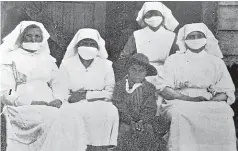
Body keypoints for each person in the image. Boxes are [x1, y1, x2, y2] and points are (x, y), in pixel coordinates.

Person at [155, 23, 237, 151]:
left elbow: (226, 91)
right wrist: (189, 99)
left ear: (206, 39)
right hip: (180, 100)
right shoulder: (174, 60)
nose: (195, 39)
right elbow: (164, 89)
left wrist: (210, 101)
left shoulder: (216, 62)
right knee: (178, 113)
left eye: (199, 36)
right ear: (185, 40)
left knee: (224, 112)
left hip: (208, 100)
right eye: (191, 37)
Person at [0, 21, 68, 151]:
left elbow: (58, 82)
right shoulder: (9, 58)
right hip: (20, 105)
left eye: (37, 36)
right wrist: (32, 102)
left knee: (71, 115)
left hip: (50, 102)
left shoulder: (47, 59)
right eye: (29, 35)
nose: (33, 39)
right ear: (21, 37)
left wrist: (59, 99)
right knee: (52, 117)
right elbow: (5, 91)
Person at [56, 28, 119, 151]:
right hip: (72, 102)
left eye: (92, 44)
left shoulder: (106, 65)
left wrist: (86, 95)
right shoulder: (66, 64)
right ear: (77, 45)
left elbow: (110, 92)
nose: (88, 47)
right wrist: (70, 97)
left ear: (98, 47)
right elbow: (60, 89)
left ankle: (100, 147)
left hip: (99, 102)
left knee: (110, 111)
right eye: (85, 43)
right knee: (69, 114)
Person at [114, 2, 179, 83]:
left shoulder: (171, 36)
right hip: (140, 73)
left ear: (163, 16)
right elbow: (124, 57)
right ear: (144, 17)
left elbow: (177, 59)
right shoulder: (137, 35)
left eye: (156, 14)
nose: (153, 17)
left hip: (165, 74)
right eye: (149, 15)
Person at [113, 53, 157, 151]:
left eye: (141, 71)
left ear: (146, 73)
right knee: (124, 130)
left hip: (142, 121)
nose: (137, 73)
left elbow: (150, 107)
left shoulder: (149, 88)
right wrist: (130, 120)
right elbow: (118, 104)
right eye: (134, 69)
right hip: (124, 120)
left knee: (148, 130)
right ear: (128, 70)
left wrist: (142, 120)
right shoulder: (120, 85)